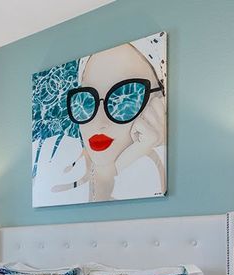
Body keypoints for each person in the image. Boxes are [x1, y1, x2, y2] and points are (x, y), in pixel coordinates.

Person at [52, 43, 166, 201]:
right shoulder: (51, 158)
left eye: (125, 99)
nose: (99, 122)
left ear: (161, 102)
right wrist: (108, 172)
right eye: (87, 101)